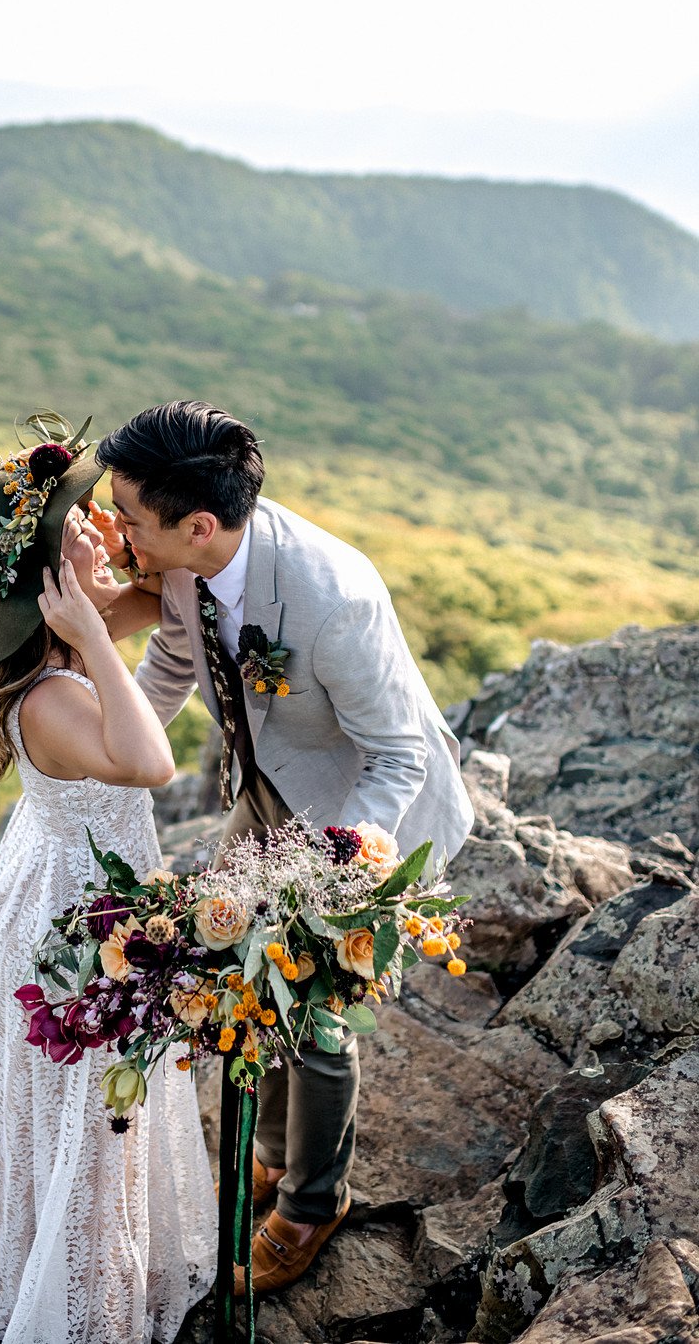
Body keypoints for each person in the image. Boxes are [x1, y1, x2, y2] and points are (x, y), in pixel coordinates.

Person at [94, 400, 475, 1298]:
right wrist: (105, 754)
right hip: (269, 791)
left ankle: (312, 1204)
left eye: (130, 520)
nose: (121, 536)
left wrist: (342, 869)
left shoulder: (331, 596)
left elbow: (398, 757)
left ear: (196, 524)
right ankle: (268, 1153)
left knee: (313, 1012)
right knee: (231, 970)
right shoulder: (191, 563)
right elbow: (174, 667)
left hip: (361, 818)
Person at [0, 422, 216, 1344]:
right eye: (78, 523)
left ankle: (80, 1260)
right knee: (88, 1116)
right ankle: (80, 1300)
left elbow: (170, 595)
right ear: (50, 574)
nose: (97, 523)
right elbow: (151, 761)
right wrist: (92, 629)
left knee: (88, 1111)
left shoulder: (55, 642)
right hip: (75, 916)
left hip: (66, 877)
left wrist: (109, 585)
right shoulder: (51, 691)